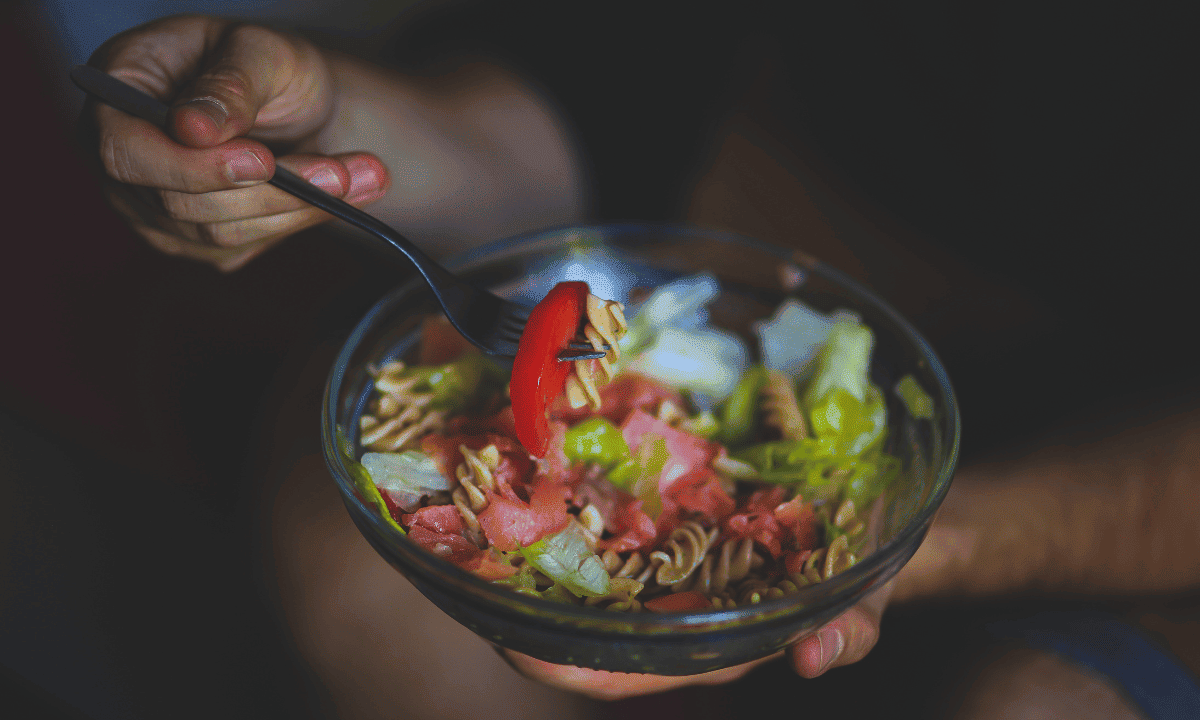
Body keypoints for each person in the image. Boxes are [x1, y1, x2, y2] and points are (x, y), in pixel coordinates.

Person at [79, 10, 1200, 719]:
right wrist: (354, 129)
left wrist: (885, 553)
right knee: (346, 554)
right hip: (759, 245)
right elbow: (617, 95)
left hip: (1140, 463)